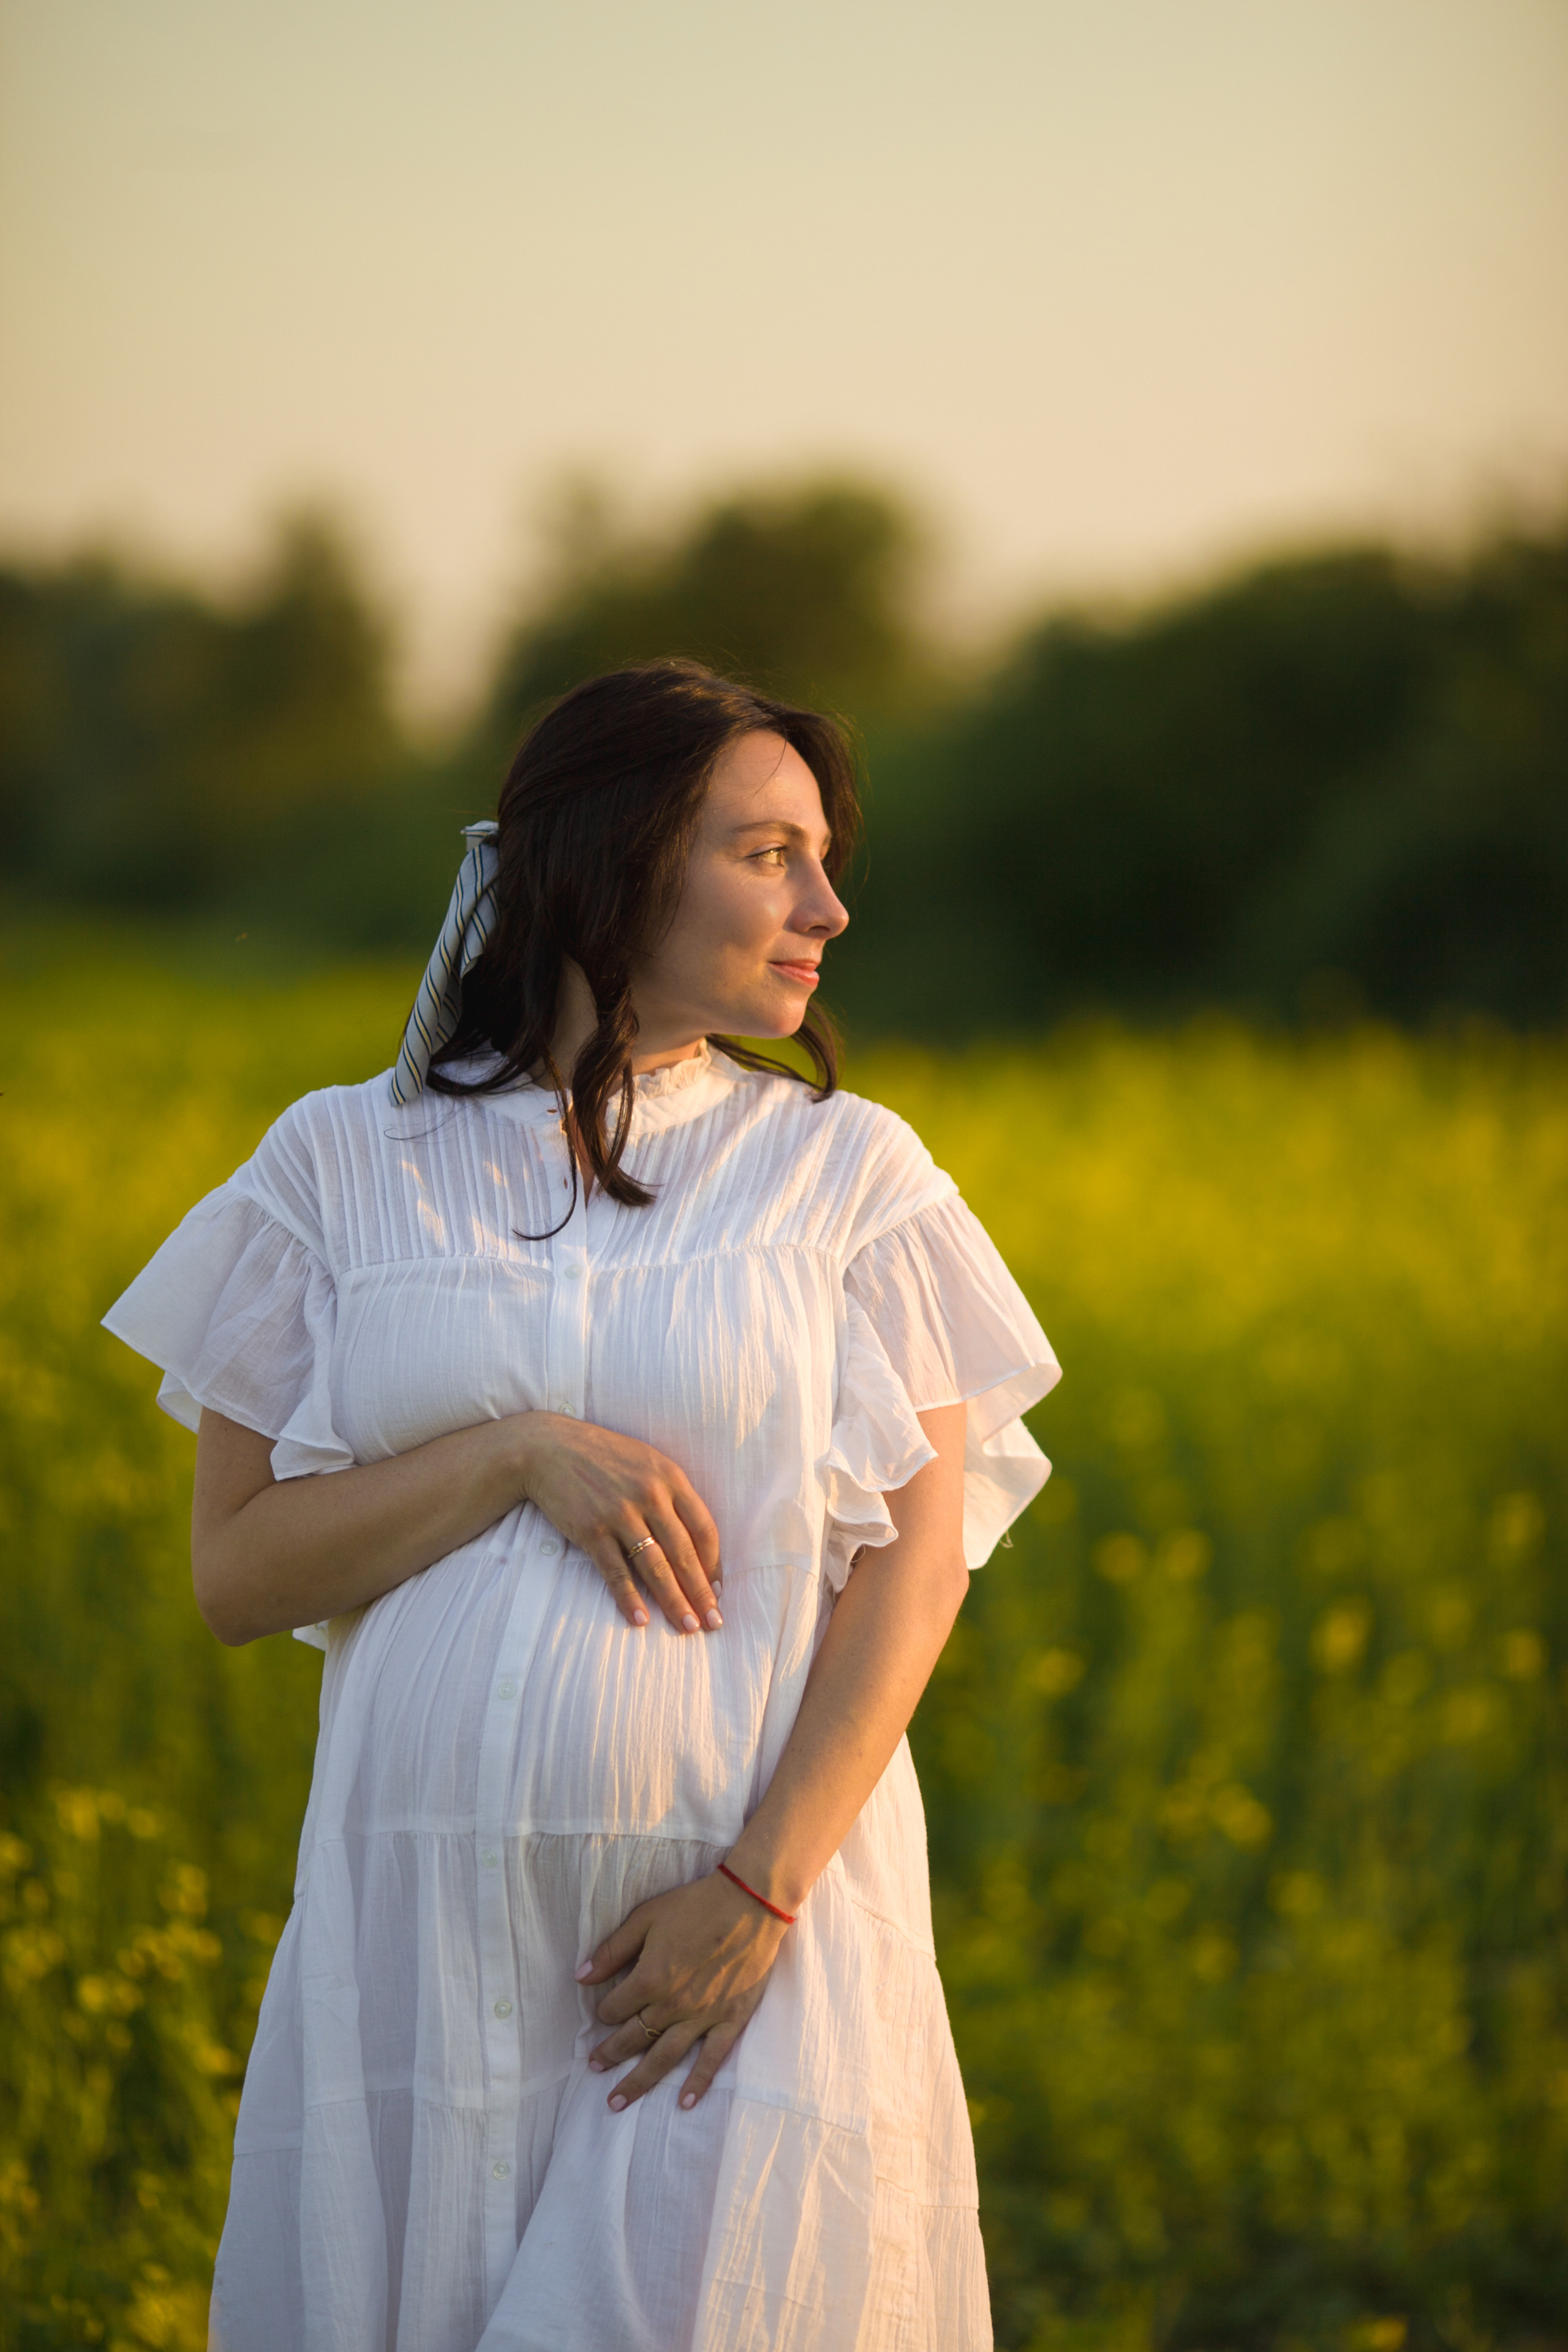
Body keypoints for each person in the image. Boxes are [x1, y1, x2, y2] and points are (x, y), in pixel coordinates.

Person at [104, 660, 1060, 2352]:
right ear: (614, 857)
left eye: (822, 856)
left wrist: (759, 1895)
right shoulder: (340, 1163)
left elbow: (914, 1581)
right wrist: (509, 1454)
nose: (826, 904)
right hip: (426, 1955)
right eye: (767, 852)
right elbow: (238, 1576)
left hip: (730, 1965)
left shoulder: (849, 1179)